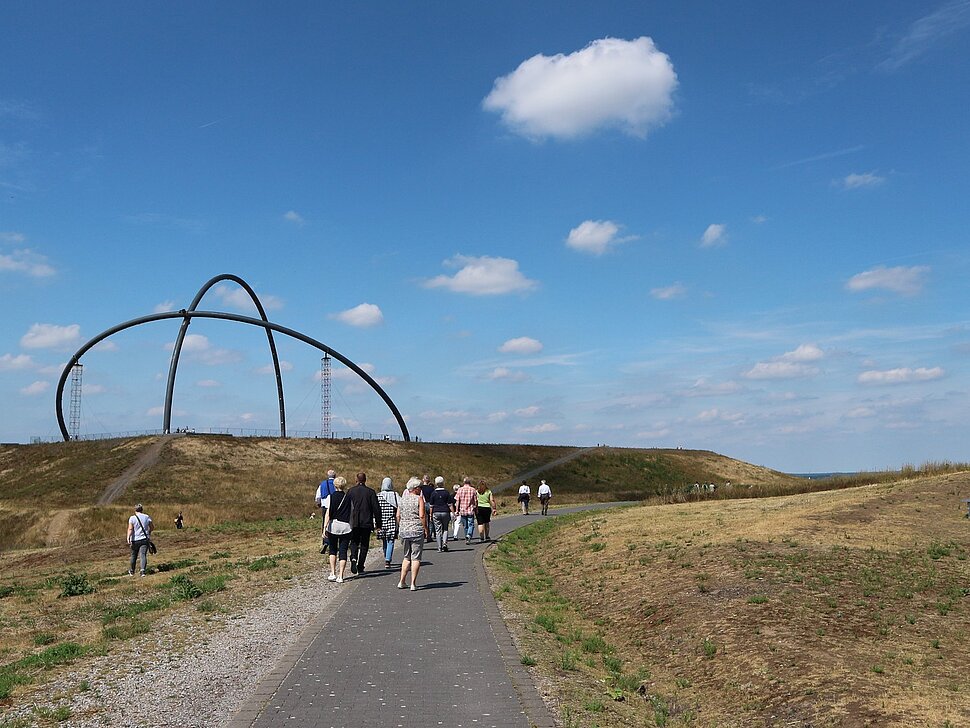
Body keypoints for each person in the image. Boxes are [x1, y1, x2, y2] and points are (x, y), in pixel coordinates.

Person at [347, 471, 382, 575]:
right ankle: (360, 565)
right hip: (366, 521)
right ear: (365, 480)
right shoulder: (370, 492)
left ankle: (353, 557)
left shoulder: (350, 491)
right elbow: (376, 509)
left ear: (356, 480)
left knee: (354, 541)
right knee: (364, 544)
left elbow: (347, 506)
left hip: (354, 521)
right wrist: (379, 524)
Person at [397, 477, 428, 590]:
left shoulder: (402, 499)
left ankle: (402, 581)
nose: (420, 489)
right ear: (415, 488)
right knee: (416, 557)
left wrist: (401, 525)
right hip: (416, 530)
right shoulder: (419, 499)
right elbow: (422, 515)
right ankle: (413, 583)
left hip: (404, 530)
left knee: (406, 556)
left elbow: (398, 515)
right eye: (419, 487)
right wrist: (425, 529)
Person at [324, 476, 352, 583]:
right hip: (345, 526)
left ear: (335, 485)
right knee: (343, 550)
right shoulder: (348, 498)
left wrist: (325, 527)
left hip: (333, 526)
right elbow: (352, 513)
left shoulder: (330, 497)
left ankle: (332, 573)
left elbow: (328, 513)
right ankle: (341, 575)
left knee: (332, 550)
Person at [376, 477, 400, 569]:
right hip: (391, 521)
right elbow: (400, 505)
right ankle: (388, 559)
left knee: (384, 541)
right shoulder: (394, 495)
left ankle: (386, 556)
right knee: (391, 541)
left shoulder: (378, 496)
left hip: (381, 522)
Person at [428, 476, 455, 552]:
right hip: (445, 512)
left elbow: (431, 506)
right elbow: (450, 504)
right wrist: (453, 513)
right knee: (445, 529)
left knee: (437, 530)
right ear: (443, 483)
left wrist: (430, 515)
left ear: (436, 483)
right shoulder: (446, 492)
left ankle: (439, 547)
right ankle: (444, 543)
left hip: (436, 512)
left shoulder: (433, 493)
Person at [126, 504, 154, 577]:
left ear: (135, 510)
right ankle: (142, 571)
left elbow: (130, 529)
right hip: (144, 539)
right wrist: (149, 532)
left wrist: (128, 537)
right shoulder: (146, 517)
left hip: (135, 540)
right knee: (143, 555)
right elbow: (152, 527)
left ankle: (132, 571)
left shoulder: (132, 518)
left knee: (133, 556)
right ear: (142, 509)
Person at [314, 469, 337, 554]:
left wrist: (319, 503)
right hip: (334, 506)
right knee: (334, 523)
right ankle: (333, 543)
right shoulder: (337, 483)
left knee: (325, 523)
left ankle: (325, 541)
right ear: (335, 476)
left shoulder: (322, 484)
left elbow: (318, 496)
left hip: (325, 506)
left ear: (328, 476)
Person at [455, 477, 478, 545]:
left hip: (462, 510)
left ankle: (466, 537)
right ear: (469, 482)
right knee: (471, 524)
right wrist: (476, 508)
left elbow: (457, 500)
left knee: (465, 525)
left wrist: (457, 510)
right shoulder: (473, 490)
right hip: (470, 509)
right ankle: (469, 535)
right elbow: (475, 501)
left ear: (464, 482)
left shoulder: (460, 490)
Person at [420, 474, 435, 542]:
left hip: (423, 503)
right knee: (430, 520)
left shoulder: (420, 488)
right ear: (428, 480)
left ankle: (423, 534)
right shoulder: (431, 488)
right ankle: (429, 535)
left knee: (423, 520)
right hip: (430, 504)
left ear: (423, 480)